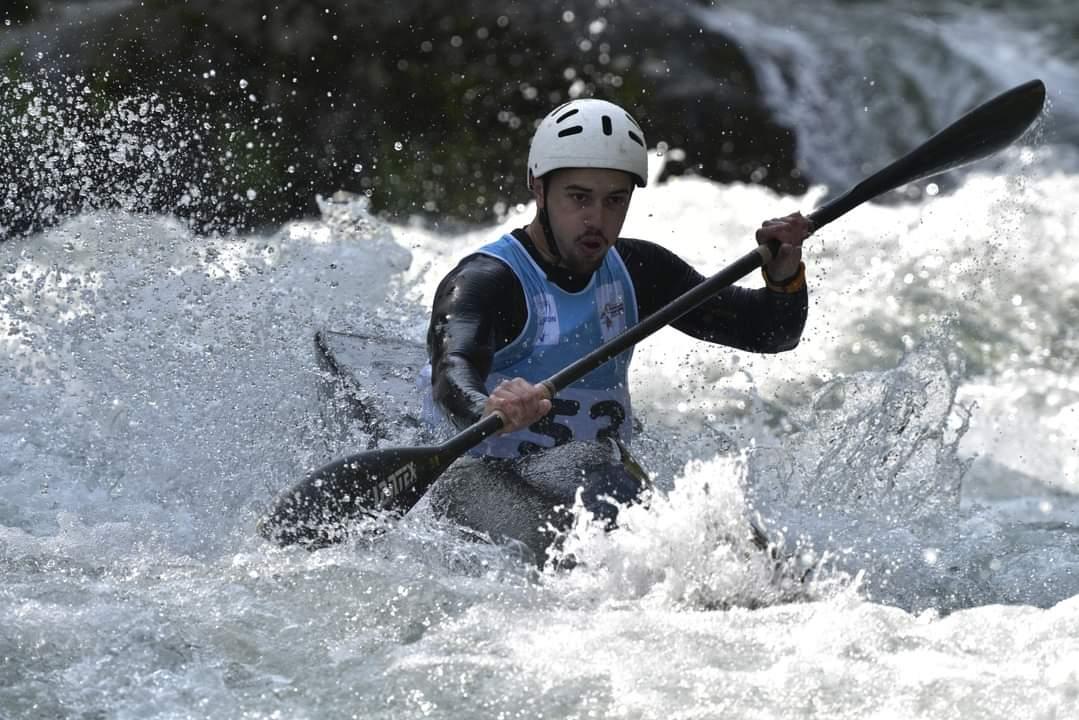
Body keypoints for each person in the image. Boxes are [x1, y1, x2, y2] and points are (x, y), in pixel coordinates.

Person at [422, 98, 810, 560]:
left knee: (743, 553)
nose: (597, 221)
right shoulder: (486, 280)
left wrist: (784, 273)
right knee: (585, 518)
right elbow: (452, 370)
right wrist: (489, 404)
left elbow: (769, 333)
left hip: (596, 481)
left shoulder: (638, 269)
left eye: (614, 201)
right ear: (538, 188)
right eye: (579, 198)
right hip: (481, 475)